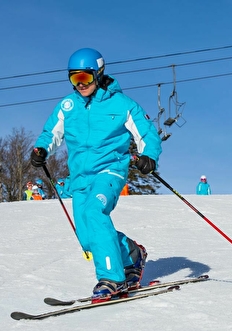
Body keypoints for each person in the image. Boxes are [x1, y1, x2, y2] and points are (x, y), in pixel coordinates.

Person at [30, 48, 162, 303]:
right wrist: (41, 149)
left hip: (110, 170)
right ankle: (132, 254)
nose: (81, 85)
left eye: (86, 78)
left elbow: (147, 133)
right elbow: (51, 133)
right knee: (88, 238)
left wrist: (150, 156)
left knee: (94, 212)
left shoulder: (122, 104)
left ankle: (112, 279)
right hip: (79, 178)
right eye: (75, 79)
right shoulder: (67, 106)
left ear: (99, 74)